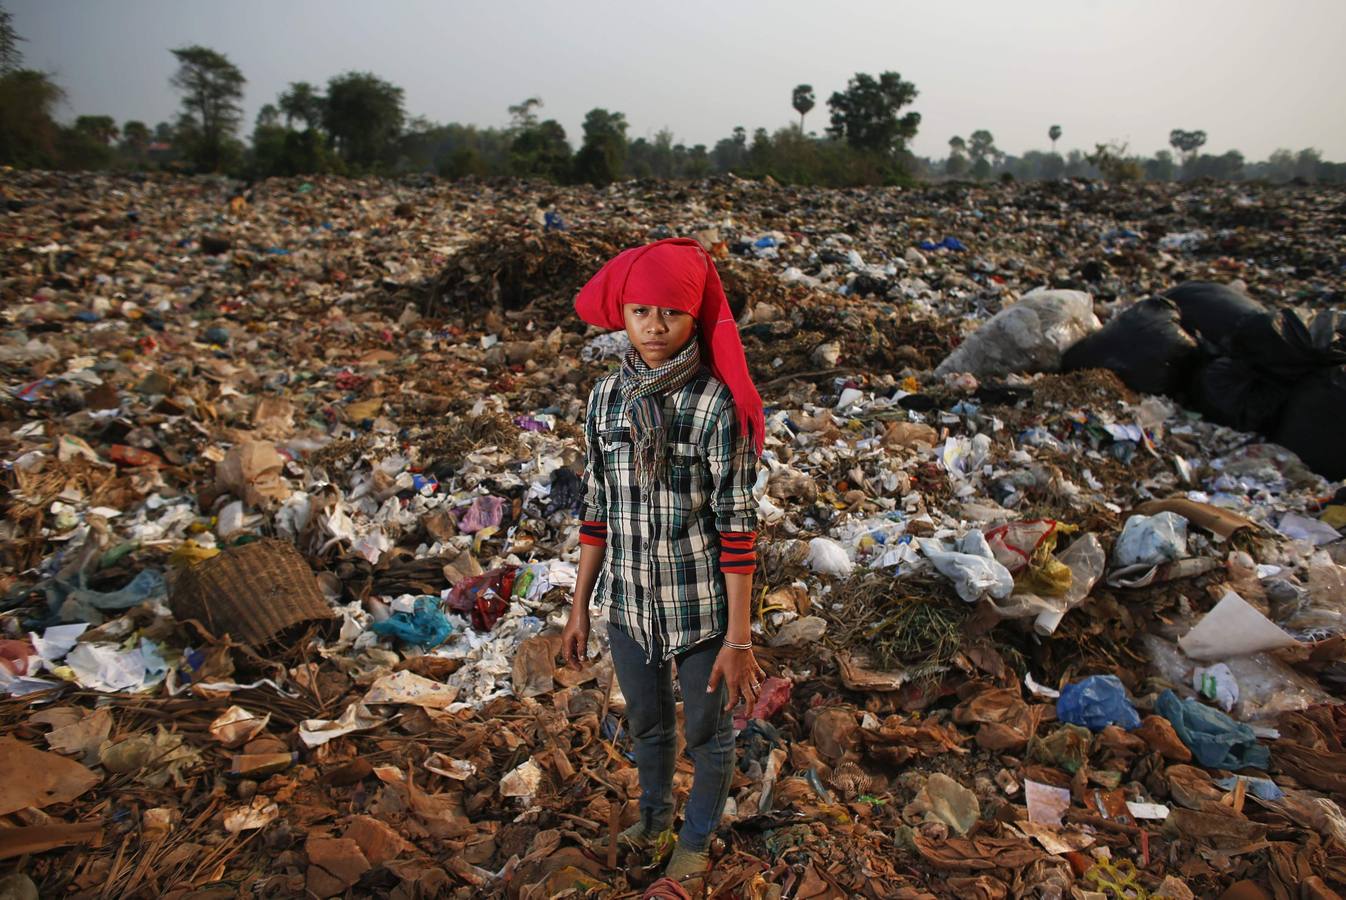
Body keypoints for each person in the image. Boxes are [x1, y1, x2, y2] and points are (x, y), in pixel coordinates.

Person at [560, 238, 766, 883]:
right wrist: (580, 608)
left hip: (699, 606)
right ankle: (653, 820)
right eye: (641, 312)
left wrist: (739, 638)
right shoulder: (604, 400)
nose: (654, 328)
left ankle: (696, 841)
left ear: (694, 318)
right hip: (626, 602)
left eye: (671, 315)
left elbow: (737, 527)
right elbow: (597, 508)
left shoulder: (714, 404)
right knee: (647, 728)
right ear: (622, 315)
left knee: (708, 737)